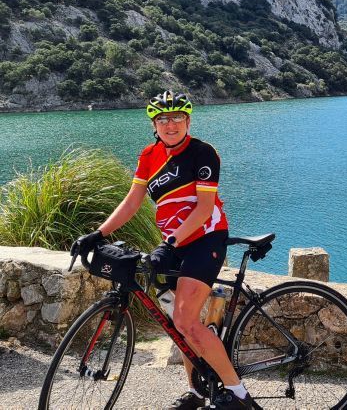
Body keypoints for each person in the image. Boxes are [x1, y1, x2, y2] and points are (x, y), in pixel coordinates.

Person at [73, 91, 253, 410]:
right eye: (163, 119)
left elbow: (204, 208)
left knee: (185, 320)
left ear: (188, 121)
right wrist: (99, 233)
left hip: (205, 239)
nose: (171, 125)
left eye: (177, 118)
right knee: (176, 322)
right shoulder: (148, 156)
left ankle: (238, 395)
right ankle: (197, 392)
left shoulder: (203, 152)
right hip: (174, 243)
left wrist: (169, 244)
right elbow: (132, 201)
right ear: (154, 125)